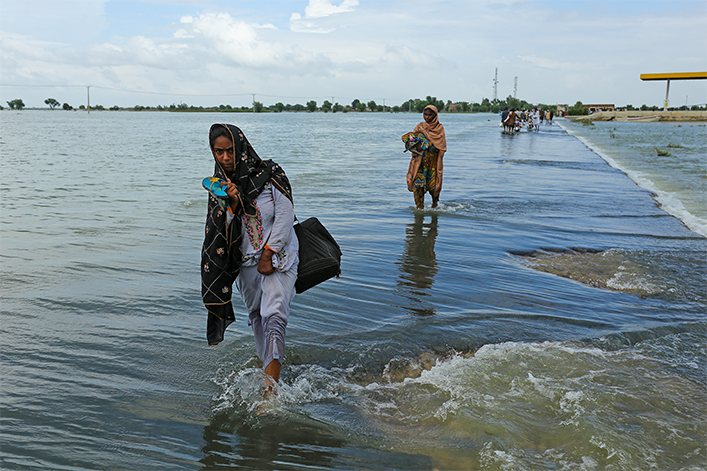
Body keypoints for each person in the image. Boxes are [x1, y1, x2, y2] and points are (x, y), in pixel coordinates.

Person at [201, 123, 298, 394]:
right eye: (218, 152)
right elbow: (223, 231)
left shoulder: (270, 174)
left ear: (241, 148)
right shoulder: (219, 188)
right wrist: (231, 203)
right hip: (247, 263)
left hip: (280, 256)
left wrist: (269, 253)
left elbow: (285, 215)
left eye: (230, 151)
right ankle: (271, 365)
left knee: (274, 314)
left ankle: (270, 392)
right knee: (257, 316)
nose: (225, 158)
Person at [406, 105, 447, 209]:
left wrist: (427, 144)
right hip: (420, 164)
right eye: (425, 114)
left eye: (430, 115)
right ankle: (419, 214)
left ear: (435, 116)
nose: (427, 117)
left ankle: (435, 205)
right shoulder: (420, 127)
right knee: (418, 187)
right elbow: (411, 137)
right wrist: (410, 143)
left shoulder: (439, 129)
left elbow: (441, 147)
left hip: (433, 164)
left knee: (434, 188)